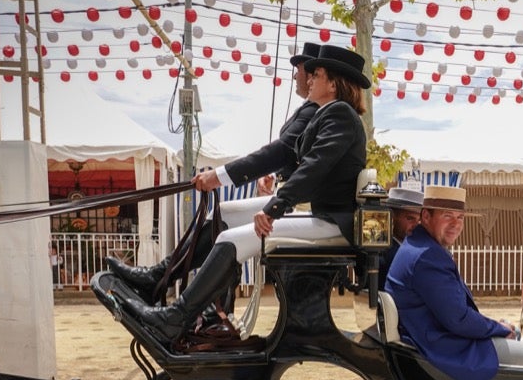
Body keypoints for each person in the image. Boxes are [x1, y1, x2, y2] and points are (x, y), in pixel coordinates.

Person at [123, 44, 370, 343]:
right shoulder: (331, 114)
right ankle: (165, 285)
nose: (309, 79)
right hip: (326, 216)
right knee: (225, 219)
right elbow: (312, 164)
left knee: (230, 237)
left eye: (316, 74)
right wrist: (279, 188)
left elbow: (316, 166)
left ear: (333, 84)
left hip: (334, 222)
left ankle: (175, 317)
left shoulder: (339, 114)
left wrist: (275, 207)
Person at [107, 42, 322, 303]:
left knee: (228, 234)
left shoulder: (316, 111)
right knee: (223, 214)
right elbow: (295, 157)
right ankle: (165, 277)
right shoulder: (311, 110)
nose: (296, 77)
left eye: (298, 70)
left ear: (313, 75)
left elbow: (281, 152)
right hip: (290, 200)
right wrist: (278, 177)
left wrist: (218, 176)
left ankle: (190, 301)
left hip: (298, 206)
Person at [384, 185, 523, 380]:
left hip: (431, 335)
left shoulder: (416, 245)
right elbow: (458, 319)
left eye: (460, 217)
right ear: (425, 216)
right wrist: (499, 328)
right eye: (447, 216)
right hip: (443, 347)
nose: (455, 224)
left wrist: (498, 327)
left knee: (514, 332)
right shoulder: (427, 255)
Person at [379, 186, 424, 281]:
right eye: (410, 218)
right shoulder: (383, 252)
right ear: (392, 217)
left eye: (419, 220)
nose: (416, 225)